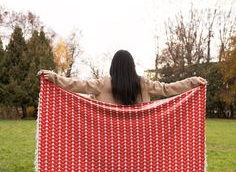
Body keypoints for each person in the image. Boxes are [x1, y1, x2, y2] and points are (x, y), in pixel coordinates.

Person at [37, 49, 208, 105]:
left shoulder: (102, 83)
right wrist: (192, 82)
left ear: (113, 67)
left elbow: (75, 84)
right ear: (132, 67)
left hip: (106, 140)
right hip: (139, 140)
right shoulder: (143, 83)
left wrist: (54, 77)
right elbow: (167, 88)